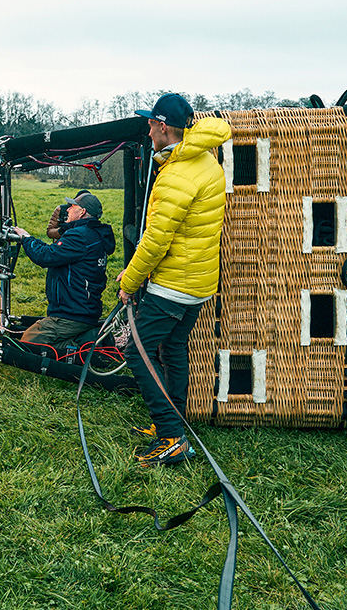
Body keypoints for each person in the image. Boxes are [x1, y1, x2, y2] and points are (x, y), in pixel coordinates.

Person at [116, 92, 230, 467]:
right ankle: (172, 421)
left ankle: (170, 436)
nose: (147, 131)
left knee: (137, 351)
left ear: (163, 127)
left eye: (150, 124)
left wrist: (129, 281)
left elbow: (156, 240)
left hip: (173, 286)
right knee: (173, 351)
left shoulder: (177, 174)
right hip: (197, 284)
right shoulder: (205, 160)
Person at [10, 192, 116, 353]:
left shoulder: (80, 236)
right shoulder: (94, 234)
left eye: (72, 206)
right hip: (84, 310)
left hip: (72, 314)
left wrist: (26, 238)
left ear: (82, 212)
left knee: (28, 341)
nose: (67, 210)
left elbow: (45, 256)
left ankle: (85, 346)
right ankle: (87, 337)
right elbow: (56, 251)